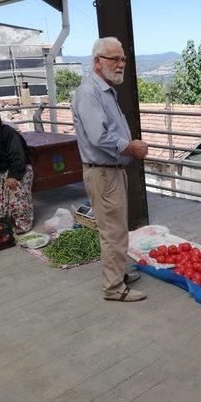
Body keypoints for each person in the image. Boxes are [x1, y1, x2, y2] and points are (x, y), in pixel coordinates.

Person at [71, 36, 148, 303]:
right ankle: (114, 288)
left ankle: (119, 273)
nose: (121, 64)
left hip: (110, 170)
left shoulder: (103, 89)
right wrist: (130, 147)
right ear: (97, 61)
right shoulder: (89, 92)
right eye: (114, 58)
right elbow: (98, 136)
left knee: (117, 227)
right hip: (103, 171)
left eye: (123, 59)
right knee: (112, 231)